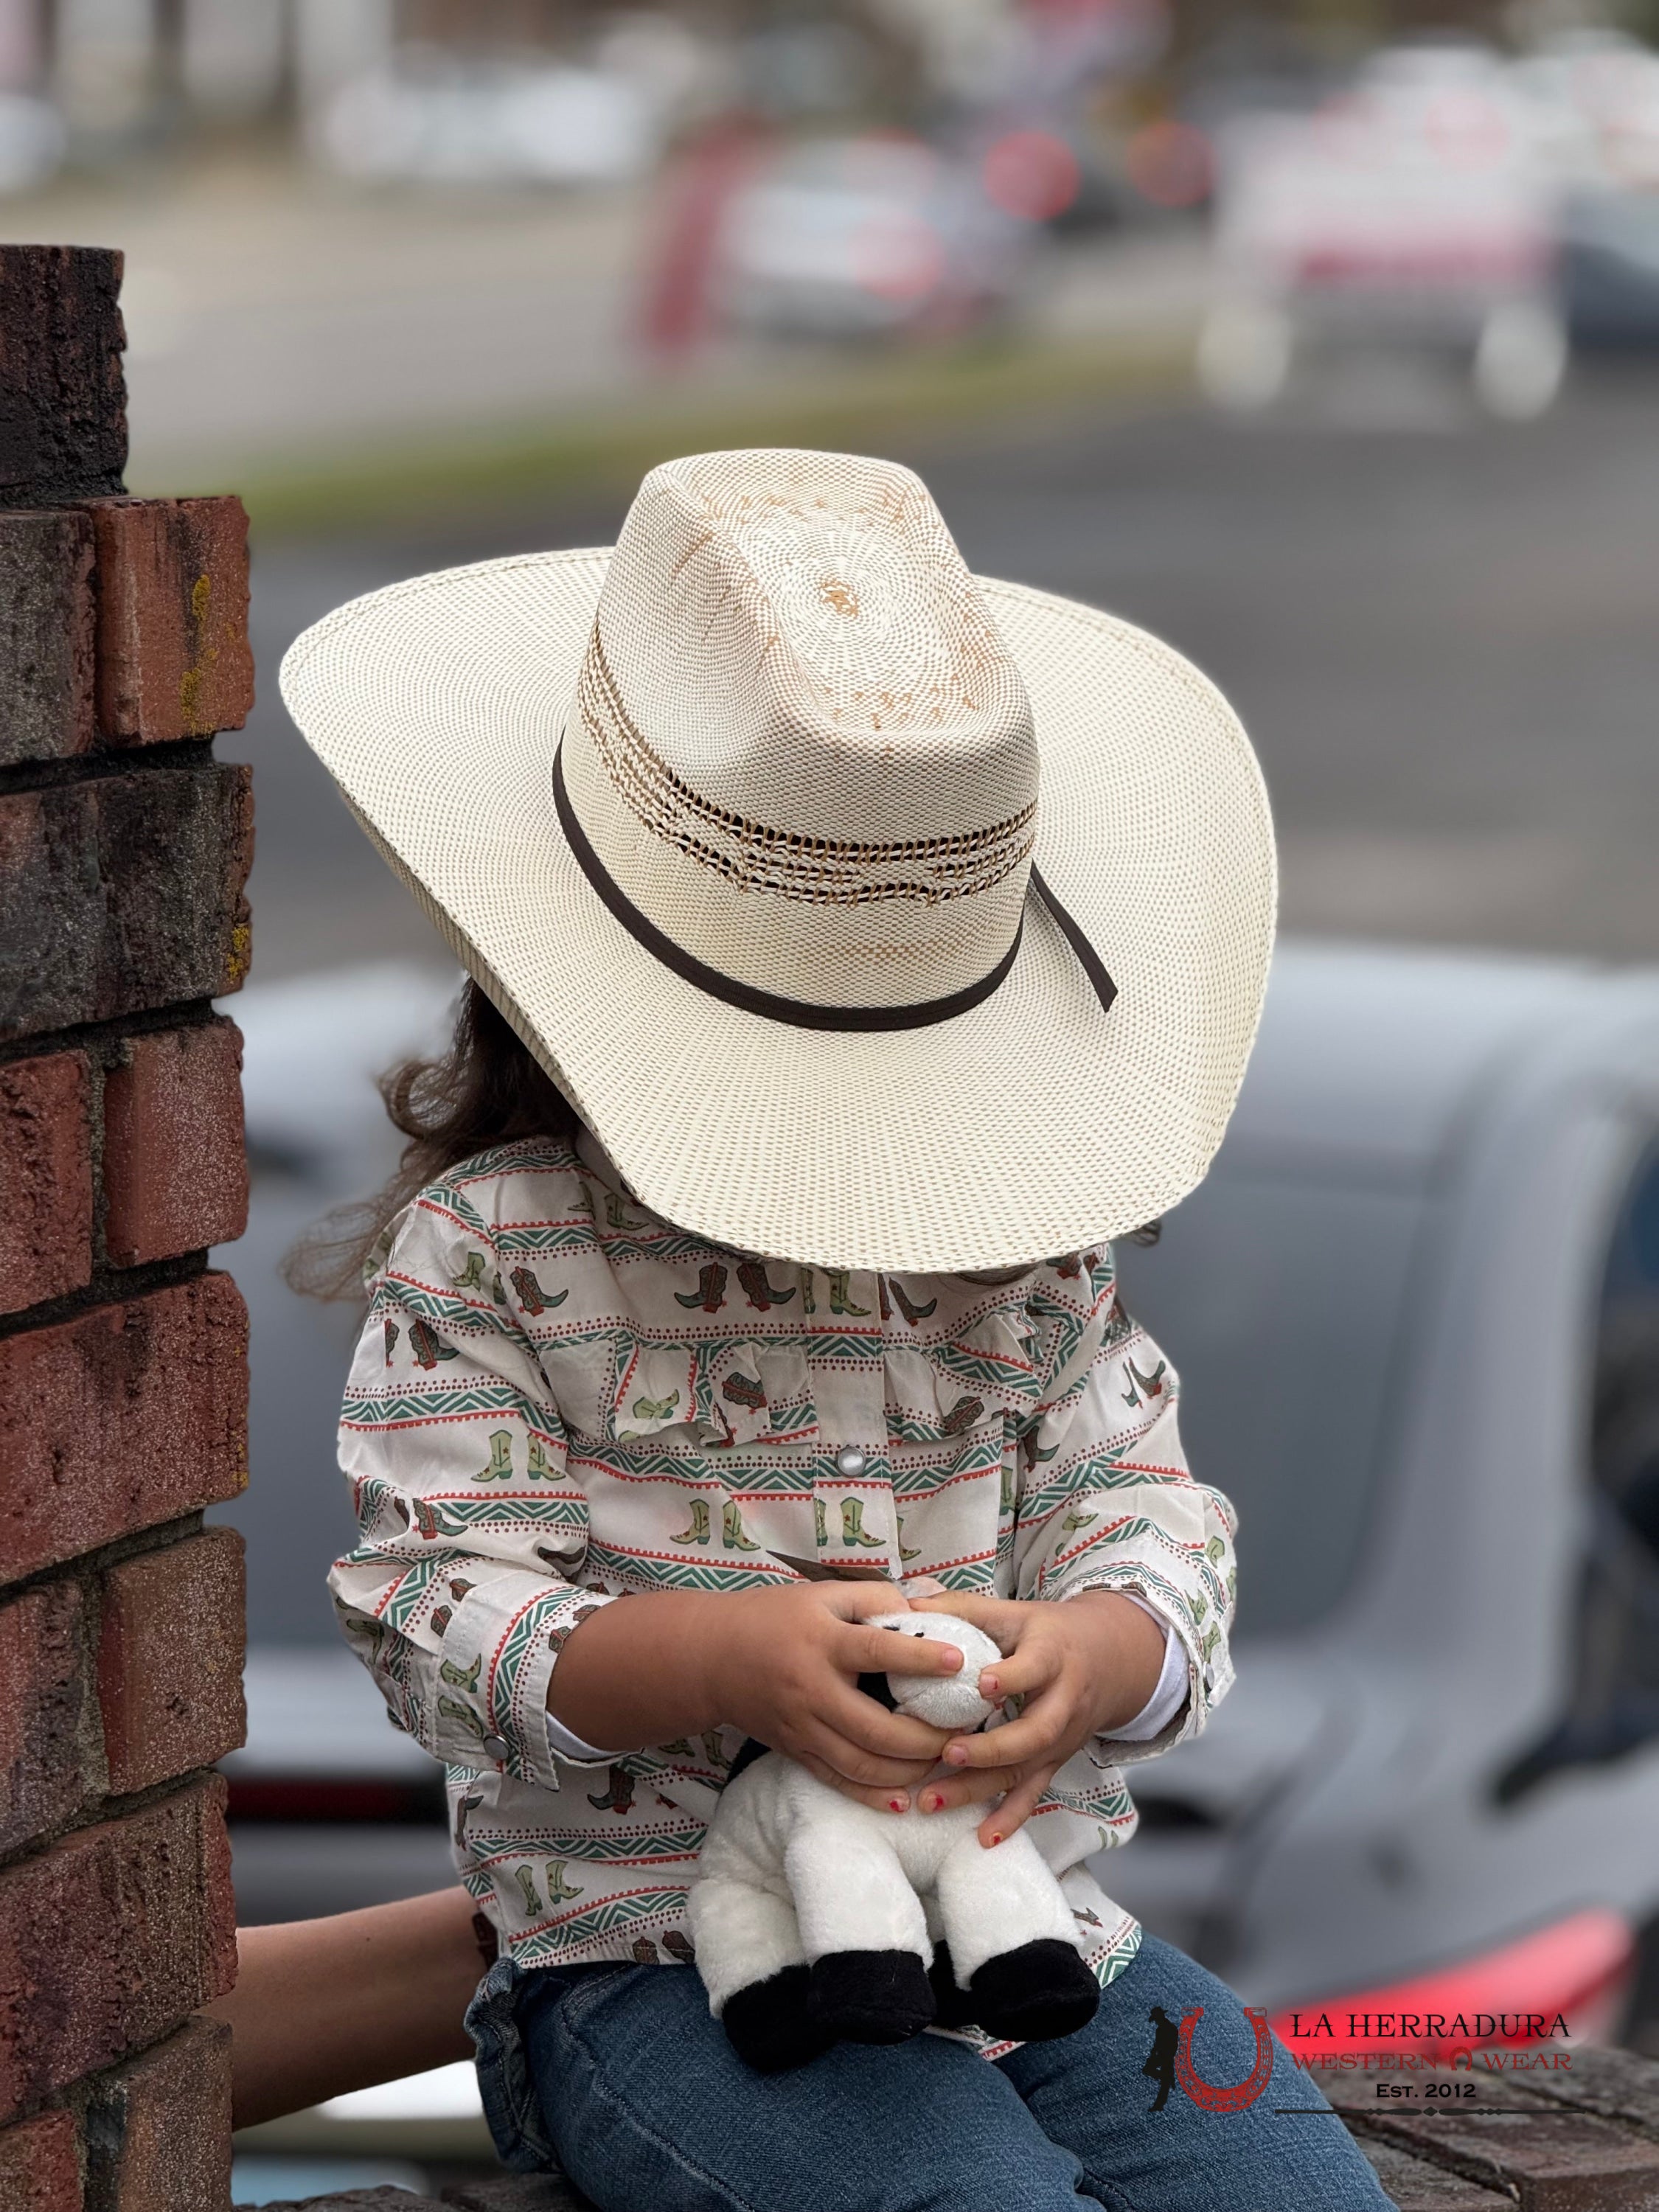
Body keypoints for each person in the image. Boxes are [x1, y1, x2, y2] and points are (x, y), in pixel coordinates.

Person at [280, 448, 1391, 2211]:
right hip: (651, 1967)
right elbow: (436, 1605)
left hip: (1044, 1938)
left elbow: (1144, 1509)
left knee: (1301, 2195)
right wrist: (724, 1663)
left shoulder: (1017, 1255)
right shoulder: (498, 1252)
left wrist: (1095, 1658)